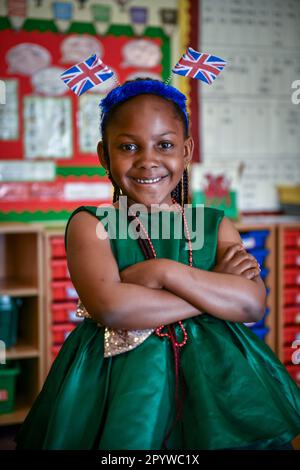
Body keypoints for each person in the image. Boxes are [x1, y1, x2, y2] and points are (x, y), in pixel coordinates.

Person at [16, 79, 300, 450]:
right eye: (128, 146)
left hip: (218, 377)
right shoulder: (92, 224)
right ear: (104, 155)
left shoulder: (215, 224)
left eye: (164, 145)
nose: (148, 160)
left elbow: (250, 304)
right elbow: (114, 308)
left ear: (185, 151)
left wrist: (164, 271)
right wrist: (213, 289)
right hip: (117, 381)